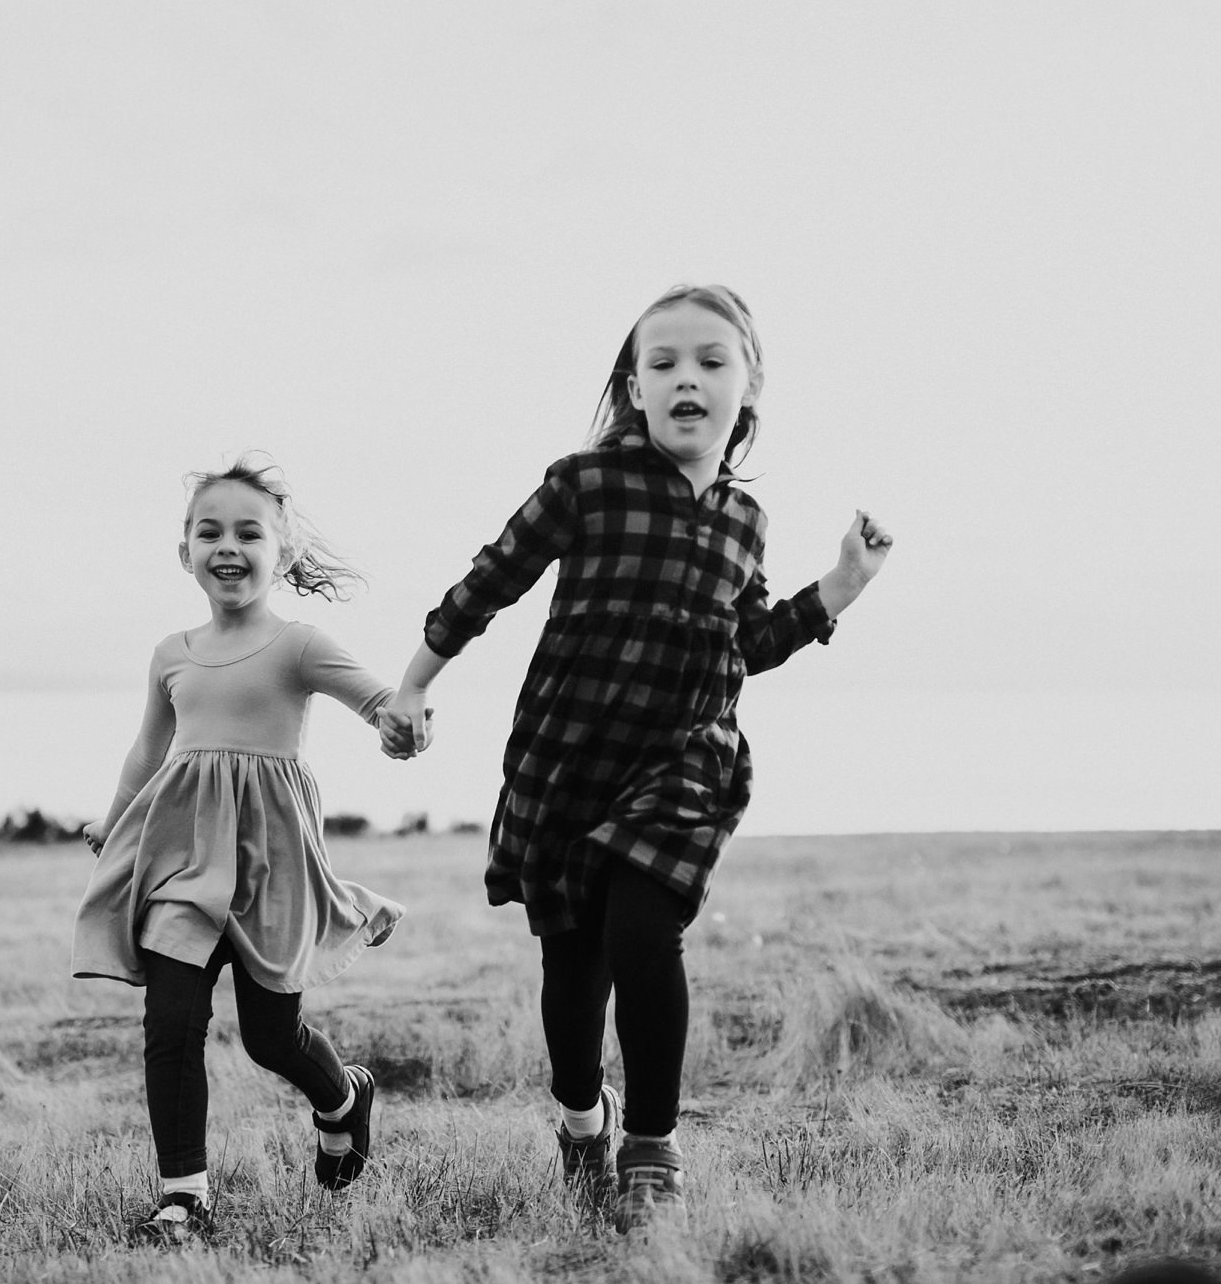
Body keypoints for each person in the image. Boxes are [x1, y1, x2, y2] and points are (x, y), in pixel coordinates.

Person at [379, 284, 893, 1233]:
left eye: (709, 360)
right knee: (573, 974)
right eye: (662, 363)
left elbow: (750, 641)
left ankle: (652, 1146)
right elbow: (488, 580)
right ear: (633, 387)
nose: (685, 377)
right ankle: (584, 1115)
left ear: (747, 391)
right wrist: (412, 685)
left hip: (686, 762)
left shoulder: (746, 523)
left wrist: (840, 589)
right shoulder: (585, 483)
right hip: (570, 756)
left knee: (644, 935)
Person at [72, 457, 416, 1246]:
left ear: (282, 553)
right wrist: (115, 820)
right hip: (182, 863)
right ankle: (183, 1194)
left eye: (249, 532)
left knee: (271, 1037)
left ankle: (342, 1097)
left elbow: (375, 698)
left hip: (270, 867)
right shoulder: (172, 652)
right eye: (210, 530)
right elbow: (146, 753)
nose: (228, 546)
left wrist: (402, 719)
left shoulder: (297, 644)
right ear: (185, 551)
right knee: (170, 1024)